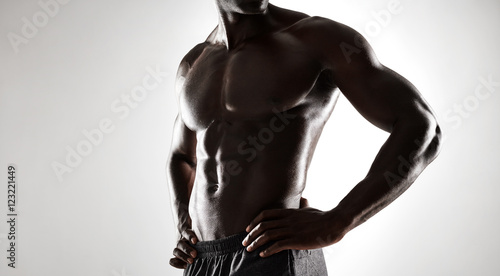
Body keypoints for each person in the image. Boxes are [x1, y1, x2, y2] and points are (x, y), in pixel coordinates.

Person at [166, 1, 441, 275]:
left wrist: (339, 220)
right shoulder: (194, 63)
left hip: (271, 252)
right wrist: (184, 227)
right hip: (202, 260)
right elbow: (181, 156)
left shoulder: (317, 40)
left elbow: (422, 127)